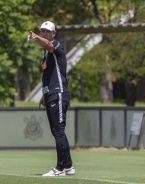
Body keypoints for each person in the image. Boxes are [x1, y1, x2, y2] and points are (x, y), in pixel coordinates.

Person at [29, 21, 75, 177]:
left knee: (59, 131)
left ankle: (60, 169)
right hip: (51, 94)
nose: (44, 33)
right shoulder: (47, 54)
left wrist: (36, 38)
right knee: (57, 131)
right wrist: (44, 94)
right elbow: (50, 76)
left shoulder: (55, 45)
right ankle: (68, 166)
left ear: (54, 33)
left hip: (59, 93)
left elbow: (48, 44)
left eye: (47, 31)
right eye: (42, 31)